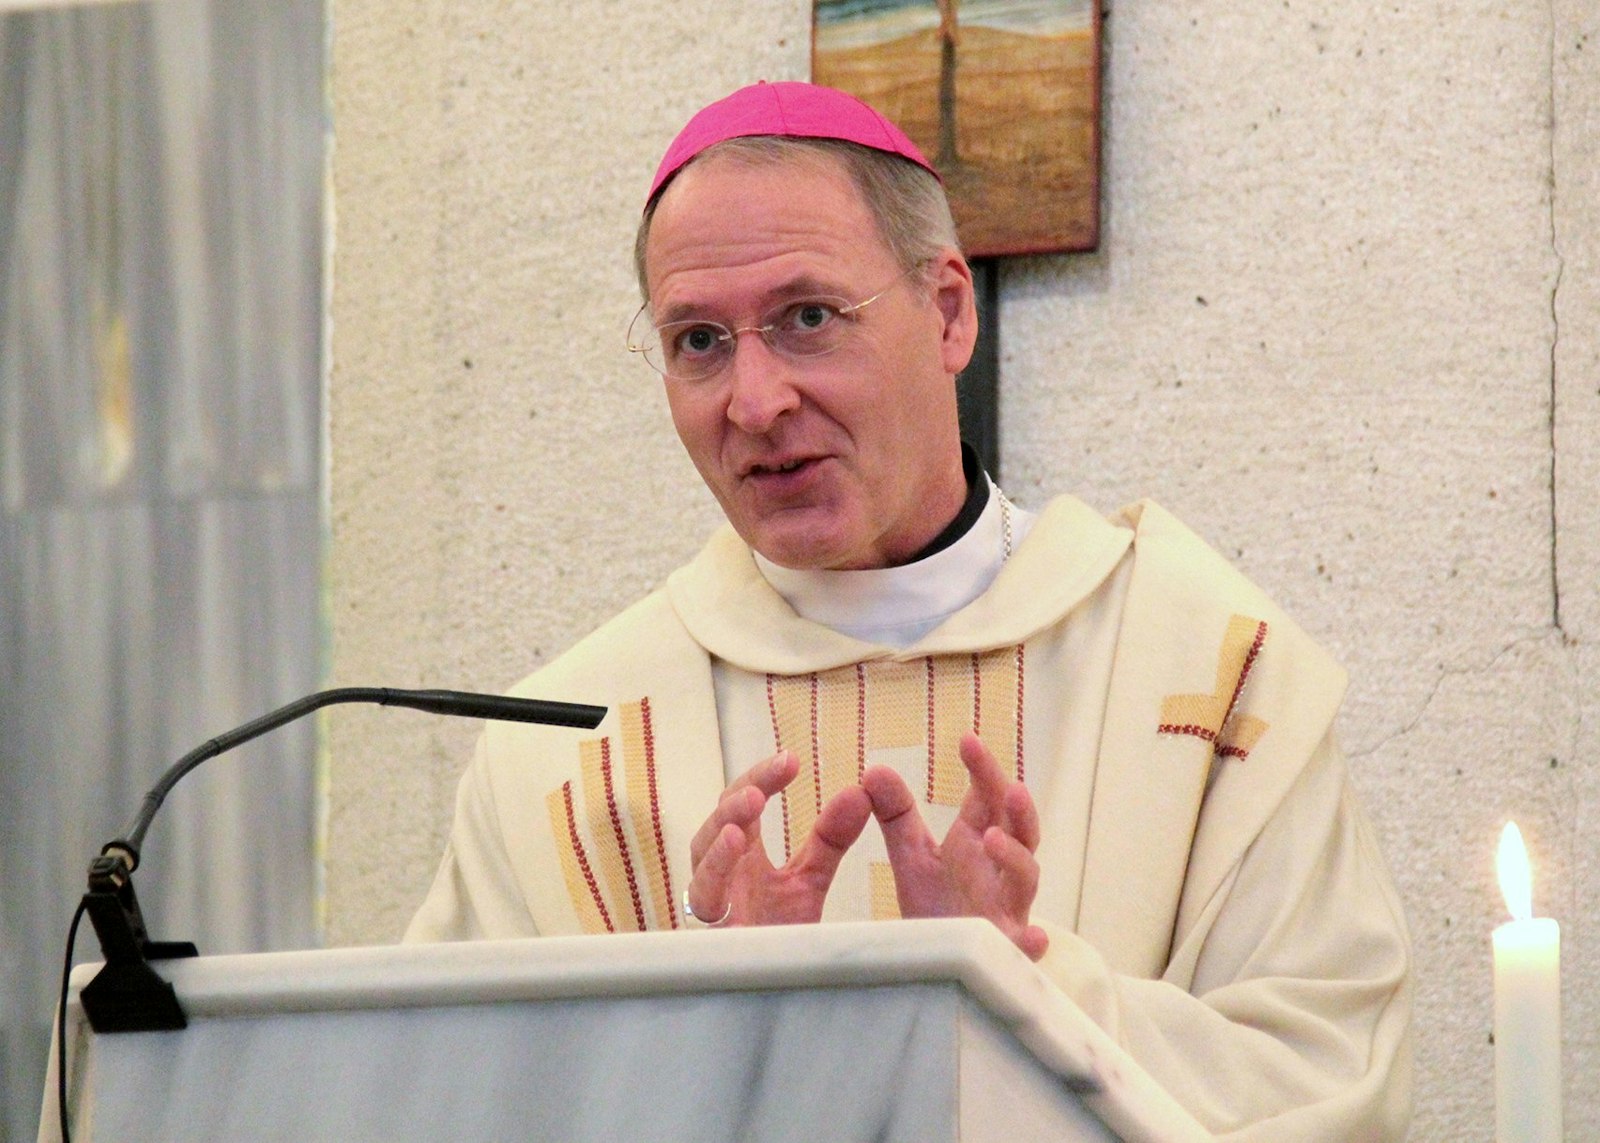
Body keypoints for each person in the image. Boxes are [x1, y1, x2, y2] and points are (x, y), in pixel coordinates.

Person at [406, 80, 1412, 1138]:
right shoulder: (568, 748)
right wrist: (711, 1016)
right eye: (698, 340)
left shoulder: (1210, 674)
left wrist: (1019, 988)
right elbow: (432, 1101)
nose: (754, 402)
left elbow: (1334, 1080)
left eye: (806, 319)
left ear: (946, 312)